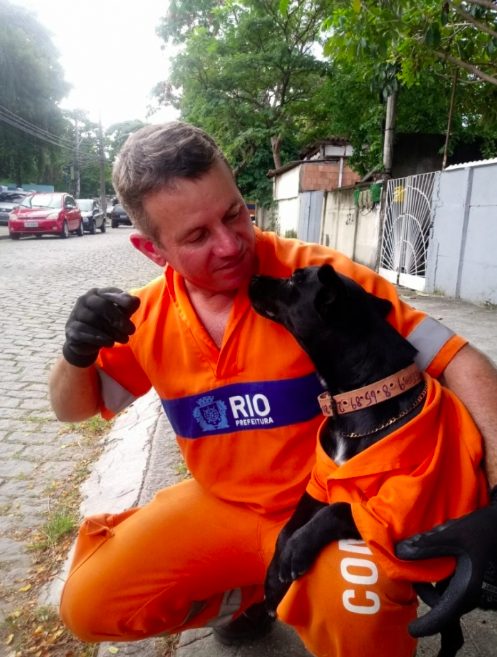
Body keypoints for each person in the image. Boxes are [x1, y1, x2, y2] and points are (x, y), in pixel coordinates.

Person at [49, 122, 497, 657]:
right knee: (90, 606)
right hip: (222, 505)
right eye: (196, 236)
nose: (231, 243)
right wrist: (75, 354)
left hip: (336, 508)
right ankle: (250, 597)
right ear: (153, 250)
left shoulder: (321, 283)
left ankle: (301, 592)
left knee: (357, 625)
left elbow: (462, 362)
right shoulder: (143, 318)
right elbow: (73, 408)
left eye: (234, 212)